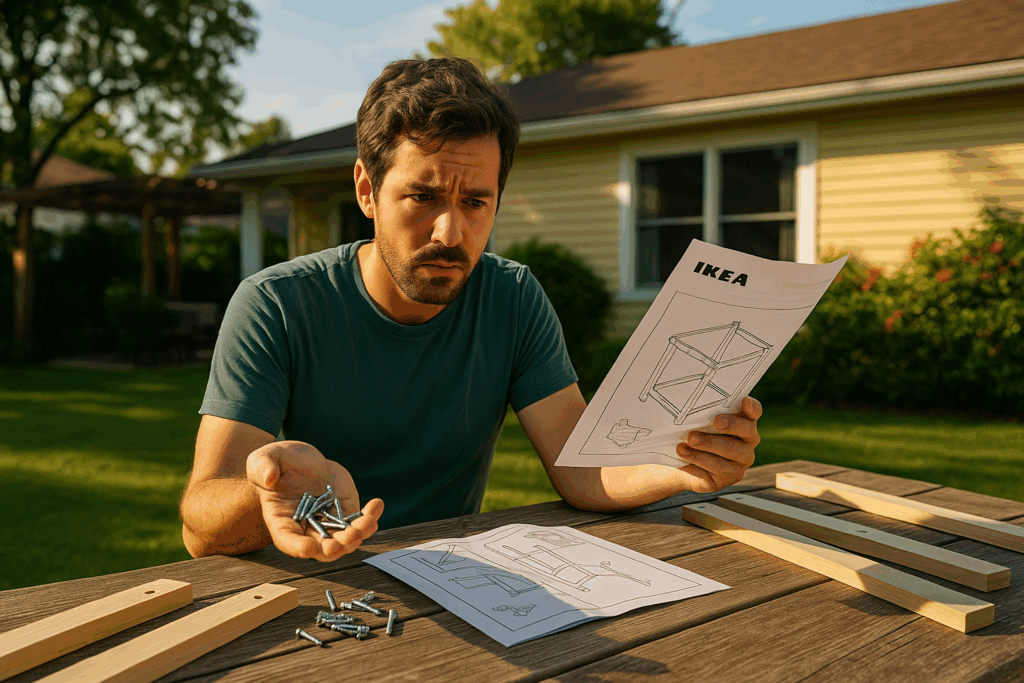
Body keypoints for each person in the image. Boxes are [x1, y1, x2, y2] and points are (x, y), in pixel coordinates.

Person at [178, 57, 762, 563]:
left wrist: (678, 467)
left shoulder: (513, 297)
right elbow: (200, 528)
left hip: (458, 578)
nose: (451, 233)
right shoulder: (276, 304)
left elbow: (582, 470)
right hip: (325, 585)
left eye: (476, 202)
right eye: (423, 196)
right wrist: (275, 493)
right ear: (366, 190)